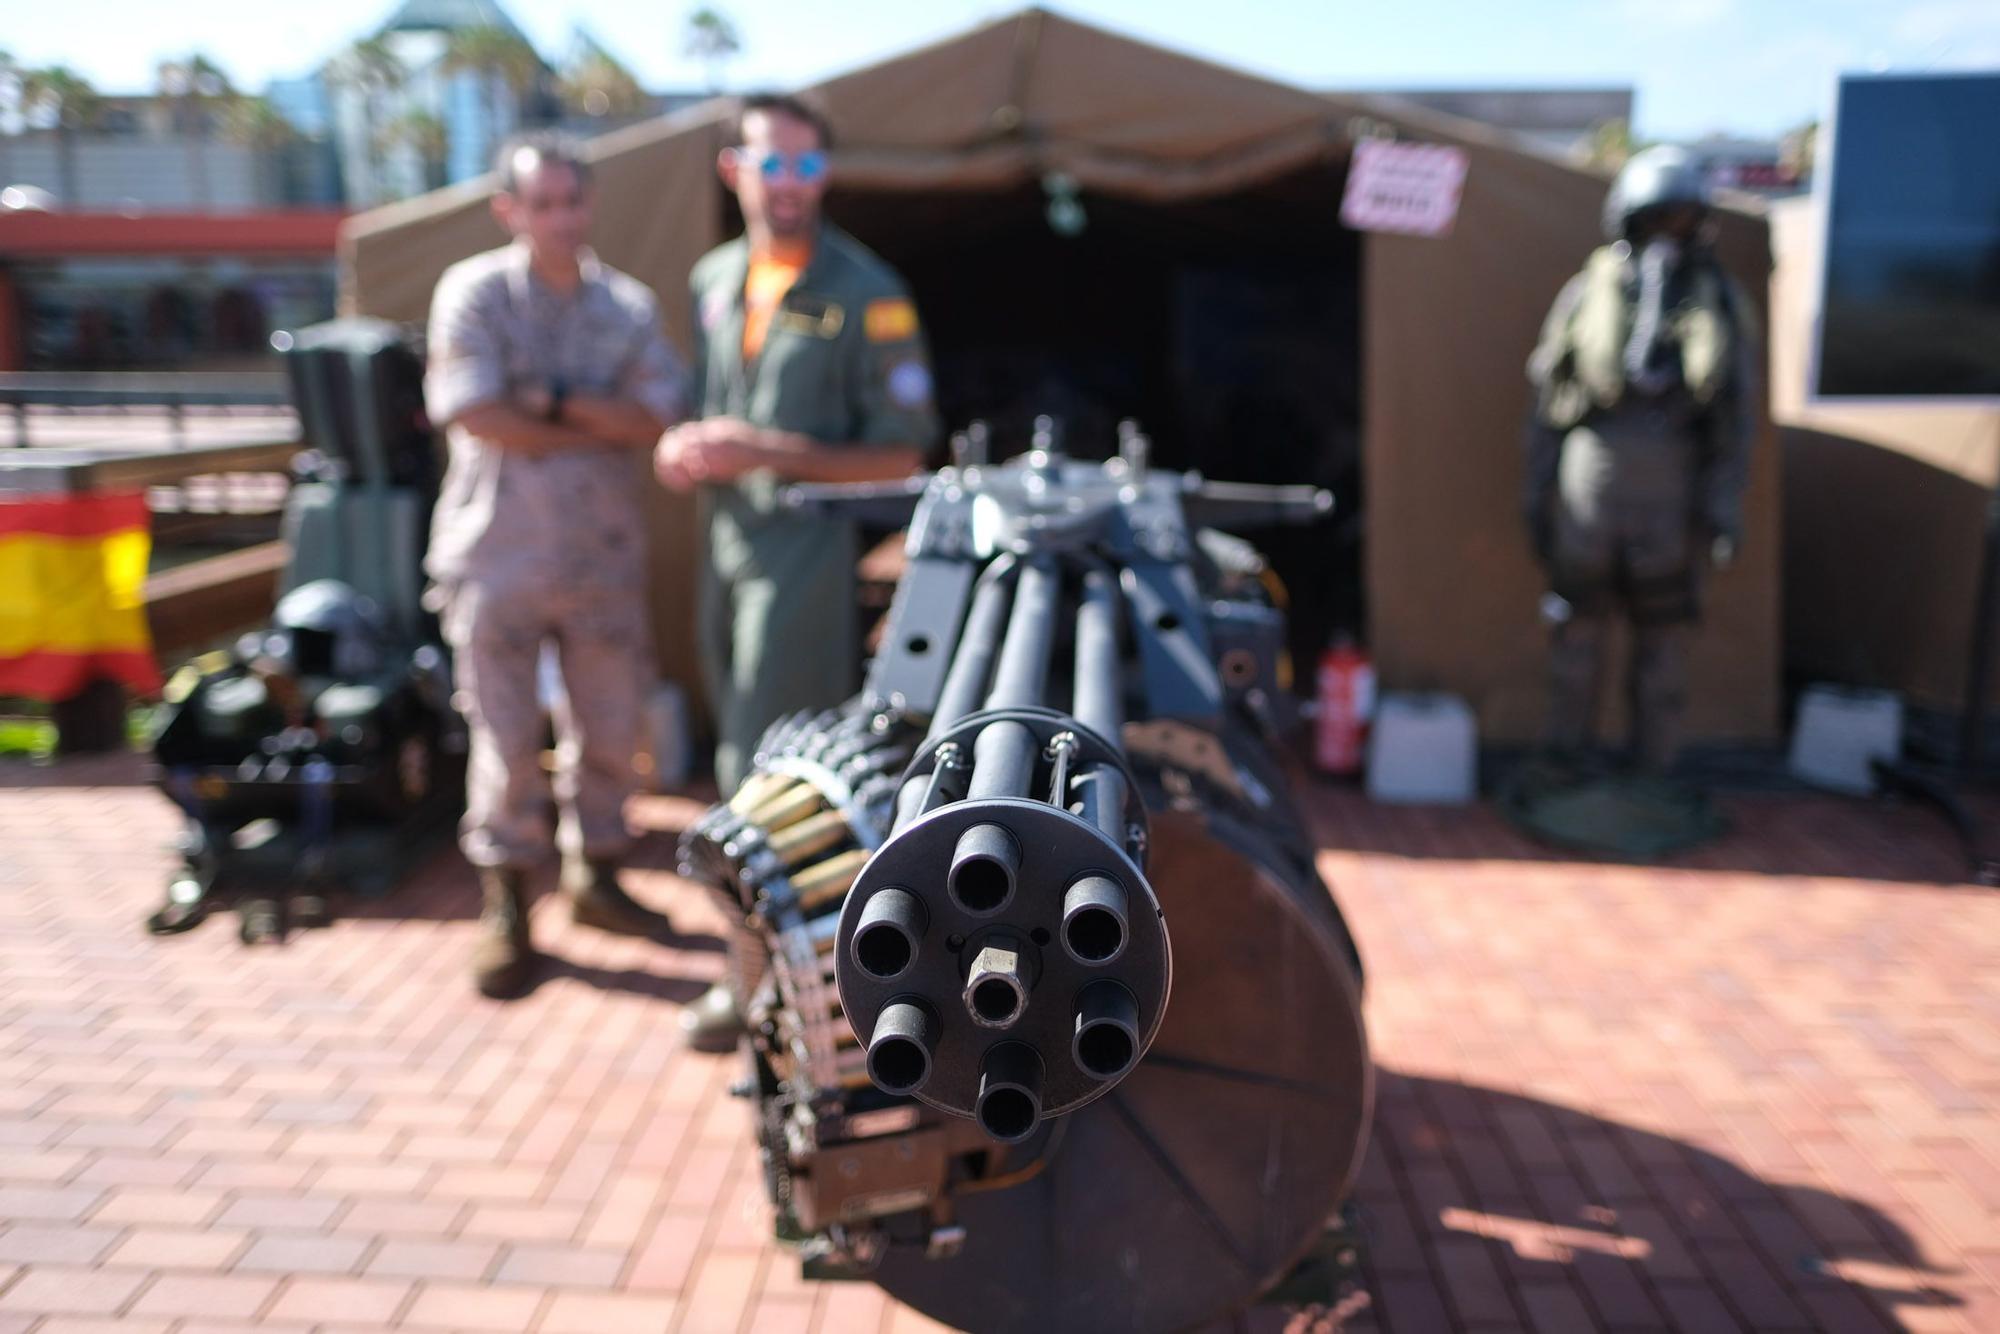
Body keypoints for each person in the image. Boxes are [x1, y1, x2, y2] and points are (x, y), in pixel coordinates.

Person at [655, 92, 940, 1049]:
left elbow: (901, 455)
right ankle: (771, 972)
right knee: (735, 759)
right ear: (734, 170)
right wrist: (690, 445)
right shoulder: (716, 276)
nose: (791, 187)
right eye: (773, 165)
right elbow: (712, 405)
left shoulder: (868, 289)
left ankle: (778, 988)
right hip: (725, 546)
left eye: (808, 168)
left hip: (805, 556)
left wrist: (759, 447)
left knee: (771, 771)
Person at [424, 133, 687, 999]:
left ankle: (597, 878)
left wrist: (544, 399)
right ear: (510, 210)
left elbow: (656, 415)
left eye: (572, 202)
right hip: (498, 553)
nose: (560, 220)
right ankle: (507, 905)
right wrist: (589, 419)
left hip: (599, 556)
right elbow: (473, 412)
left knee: (610, 732)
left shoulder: (627, 306)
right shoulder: (475, 294)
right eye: (542, 205)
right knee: (502, 740)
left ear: (590, 204)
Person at [1523, 145, 1757, 773]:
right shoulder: (1589, 293)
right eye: (1657, 220)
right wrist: (1536, 492)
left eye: (1680, 220)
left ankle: (1652, 771)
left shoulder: (1717, 302)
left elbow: (1735, 417)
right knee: (1575, 633)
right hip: (1592, 482)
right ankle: (1563, 764)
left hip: (1672, 485)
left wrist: (1722, 503)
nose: (1667, 236)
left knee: (1664, 640)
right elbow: (1550, 400)